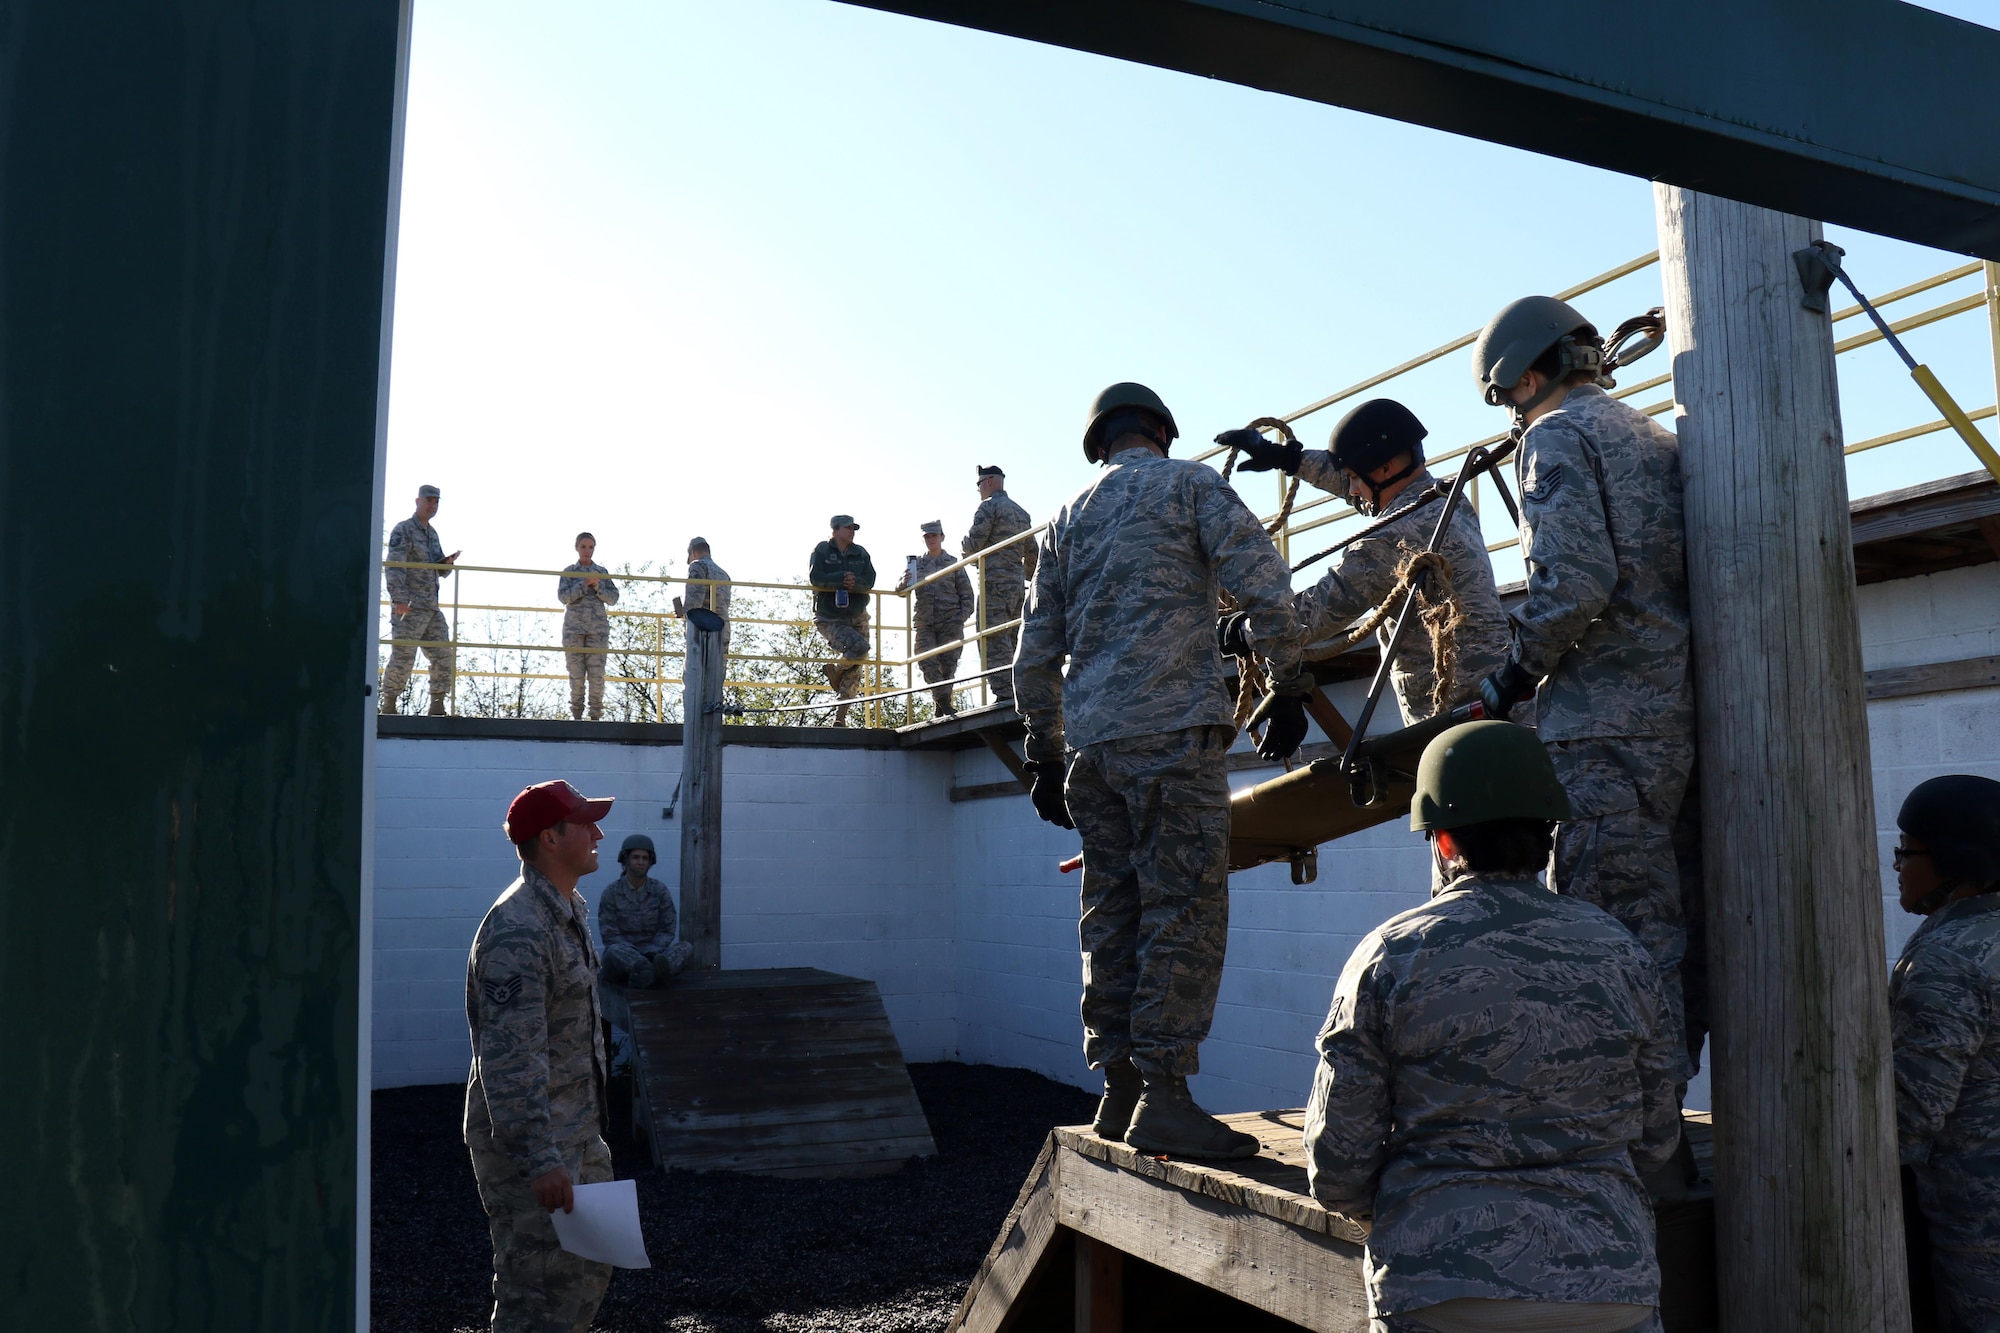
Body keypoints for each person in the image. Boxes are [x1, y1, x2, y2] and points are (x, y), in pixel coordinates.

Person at [1306, 720, 1680, 1333]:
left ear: (1443, 839)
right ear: (1547, 834)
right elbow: (1657, 1133)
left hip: (1441, 1288)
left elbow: (1339, 1160)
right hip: (1610, 1287)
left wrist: (1414, 1210)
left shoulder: (1390, 955)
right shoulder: (1621, 951)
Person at [1016, 381, 1310, 1160]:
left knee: (1112, 905)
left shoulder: (1067, 519)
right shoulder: (1189, 485)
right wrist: (1286, 679)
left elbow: (1034, 651)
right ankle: (1168, 1095)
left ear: (1099, 443)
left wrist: (1043, 751)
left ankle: (1119, 1087)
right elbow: (1263, 582)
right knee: (1184, 906)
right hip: (1174, 734)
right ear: (1160, 431)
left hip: (1093, 748)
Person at [1469, 296, 1701, 1093]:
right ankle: (1664, 1115)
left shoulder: (1556, 437)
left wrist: (1512, 675)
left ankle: (1639, 1138)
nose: (1510, 418)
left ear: (1528, 377)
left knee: (1610, 939)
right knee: (1670, 936)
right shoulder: (1654, 437)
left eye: (1505, 399)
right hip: (1670, 719)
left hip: (1600, 732)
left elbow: (1574, 585)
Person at [1221, 398, 1510, 723]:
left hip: (1455, 716)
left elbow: (1314, 615)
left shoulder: (1388, 541)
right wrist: (1287, 458)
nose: (1353, 490)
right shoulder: (1444, 500)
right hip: (1498, 696)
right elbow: (1365, 494)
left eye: (1355, 478)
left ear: (1385, 468)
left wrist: (1243, 631)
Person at [465, 779, 618, 1333]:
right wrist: (540, 1156)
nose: (599, 831)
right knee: (537, 1296)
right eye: (585, 823)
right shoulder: (519, 928)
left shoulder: (565, 908)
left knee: (585, 1275)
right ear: (549, 839)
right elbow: (510, 1057)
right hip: (536, 1147)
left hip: (575, 1132)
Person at [1889, 774, 2000, 1332]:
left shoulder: (1948, 960)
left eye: (1905, 852)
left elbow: (1909, 1115)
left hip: (1982, 1231)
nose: (1899, 868)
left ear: (1952, 860)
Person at [381, 484, 461, 715]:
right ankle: (389, 704)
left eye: (436, 501)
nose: (432, 505)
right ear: (417, 501)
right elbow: (395, 566)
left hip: (431, 607)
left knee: (443, 654)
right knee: (403, 655)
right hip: (410, 605)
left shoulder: (432, 533)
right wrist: (399, 599)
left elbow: (438, 570)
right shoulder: (404, 529)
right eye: (428, 500)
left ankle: (437, 704)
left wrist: (447, 563)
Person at [963, 464, 1035, 706]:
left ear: (990, 482)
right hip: (1016, 584)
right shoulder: (1021, 512)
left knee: (992, 637)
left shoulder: (988, 507)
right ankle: (1020, 688)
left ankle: (1005, 693)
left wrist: (965, 549)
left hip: (993, 581)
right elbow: (1032, 552)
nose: (979, 490)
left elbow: (973, 544)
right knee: (1014, 637)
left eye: (979, 484)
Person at [598, 833, 694, 988]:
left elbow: (667, 929)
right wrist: (637, 957)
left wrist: (652, 952)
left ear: (650, 862)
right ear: (626, 860)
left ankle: (648, 975)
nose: (640, 862)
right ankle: (654, 973)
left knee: (686, 947)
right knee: (613, 951)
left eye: (645, 858)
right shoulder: (612, 893)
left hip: (654, 954)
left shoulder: (660, 891)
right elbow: (610, 935)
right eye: (635, 857)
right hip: (624, 957)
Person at [900, 519, 974, 716]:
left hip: (950, 621)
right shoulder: (918, 564)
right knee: (926, 661)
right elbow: (901, 591)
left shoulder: (952, 564)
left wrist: (960, 618)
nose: (931, 539)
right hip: (925, 622)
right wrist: (903, 582)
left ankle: (941, 705)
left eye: (934, 535)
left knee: (948, 665)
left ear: (942, 537)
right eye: (927, 536)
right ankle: (942, 701)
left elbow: (967, 595)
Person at [809, 514, 876, 727]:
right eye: (848, 528)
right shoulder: (822, 550)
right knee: (859, 649)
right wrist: (840, 579)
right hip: (830, 616)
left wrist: (854, 583)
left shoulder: (860, 553)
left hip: (857, 614)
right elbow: (815, 578)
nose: (852, 531)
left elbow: (870, 579)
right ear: (835, 530)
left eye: (853, 528)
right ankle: (837, 670)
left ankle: (840, 717)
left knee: (856, 666)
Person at [557, 532, 620, 722]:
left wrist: (598, 586)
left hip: (597, 631)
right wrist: (584, 584)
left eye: (590, 547)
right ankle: (576, 715)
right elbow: (563, 597)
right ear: (577, 548)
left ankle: (595, 717)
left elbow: (613, 598)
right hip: (574, 630)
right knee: (576, 675)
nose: (587, 550)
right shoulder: (569, 572)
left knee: (597, 675)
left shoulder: (601, 572)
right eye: (583, 546)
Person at [683, 537, 732, 650]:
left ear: (693, 553)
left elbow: (694, 599)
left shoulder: (698, 566)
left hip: (703, 631)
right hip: (723, 630)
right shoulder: (724, 574)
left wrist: (685, 621)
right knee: (718, 667)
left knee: (696, 667)